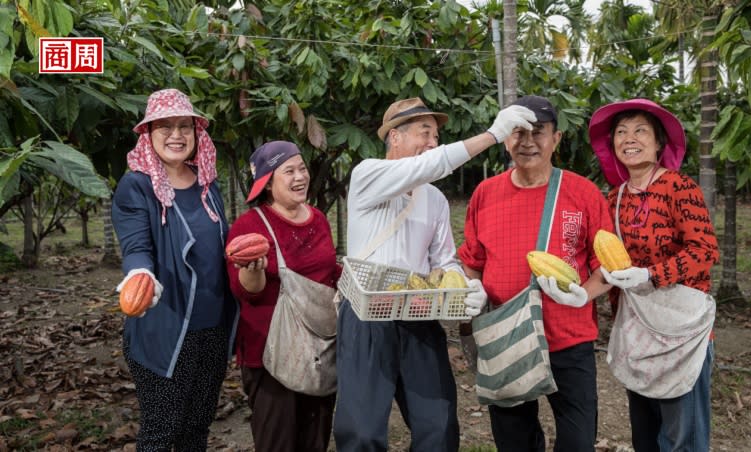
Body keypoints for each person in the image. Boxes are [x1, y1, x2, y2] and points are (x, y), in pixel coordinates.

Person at [334, 97, 539, 452]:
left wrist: (465, 285)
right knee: (362, 432)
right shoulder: (368, 174)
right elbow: (435, 163)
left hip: (418, 313)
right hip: (367, 316)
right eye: (424, 133)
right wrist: (493, 134)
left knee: (439, 426)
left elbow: (443, 259)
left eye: (435, 135)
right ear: (395, 137)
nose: (432, 142)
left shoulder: (435, 200)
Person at [458, 95, 614, 452]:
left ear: (556, 139)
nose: (528, 142)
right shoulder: (486, 193)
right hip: (506, 335)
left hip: (568, 339)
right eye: (518, 133)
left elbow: (606, 265)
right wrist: (473, 288)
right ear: (506, 138)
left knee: (578, 440)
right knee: (515, 440)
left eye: (539, 133)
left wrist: (584, 294)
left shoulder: (582, 193)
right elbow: (472, 259)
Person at [589, 98, 719, 451]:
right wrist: (581, 291)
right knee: (645, 433)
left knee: (682, 437)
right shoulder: (614, 198)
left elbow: (705, 251)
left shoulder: (679, 187)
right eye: (621, 132)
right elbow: (607, 263)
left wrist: (650, 275)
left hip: (680, 330)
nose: (629, 138)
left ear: (660, 142)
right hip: (637, 328)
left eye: (640, 131)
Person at [112, 88, 238, 450]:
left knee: (196, 429)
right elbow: (136, 247)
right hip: (166, 330)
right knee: (161, 432)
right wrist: (140, 276)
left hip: (212, 329)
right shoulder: (137, 186)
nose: (177, 135)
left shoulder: (206, 183)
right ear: (148, 135)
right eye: (164, 127)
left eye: (185, 126)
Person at [226, 141, 341, 452]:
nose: (300, 177)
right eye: (288, 171)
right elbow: (245, 292)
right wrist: (253, 269)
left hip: (318, 349)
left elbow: (328, 272)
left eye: (302, 168)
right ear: (267, 183)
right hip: (271, 354)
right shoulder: (249, 226)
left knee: (314, 440)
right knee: (278, 442)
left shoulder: (317, 218)